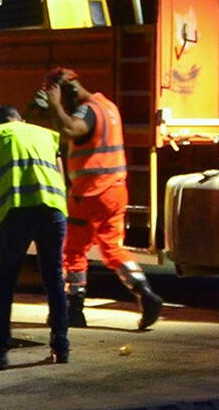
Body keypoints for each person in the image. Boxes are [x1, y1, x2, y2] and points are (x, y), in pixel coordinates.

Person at [41, 67, 162, 330]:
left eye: (59, 94)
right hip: (116, 190)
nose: (60, 102)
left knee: (74, 250)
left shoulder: (87, 110)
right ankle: (145, 293)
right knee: (112, 248)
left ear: (69, 89)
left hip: (90, 193)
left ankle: (75, 308)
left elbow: (72, 128)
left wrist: (54, 105)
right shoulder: (108, 106)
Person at [0, 104, 69, 370]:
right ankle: (61, 346)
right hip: (53, 211)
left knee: (5, 282)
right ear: (21, 120)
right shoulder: (46, 134)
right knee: (54, 278)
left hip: (17, 215)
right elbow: (61, 176)